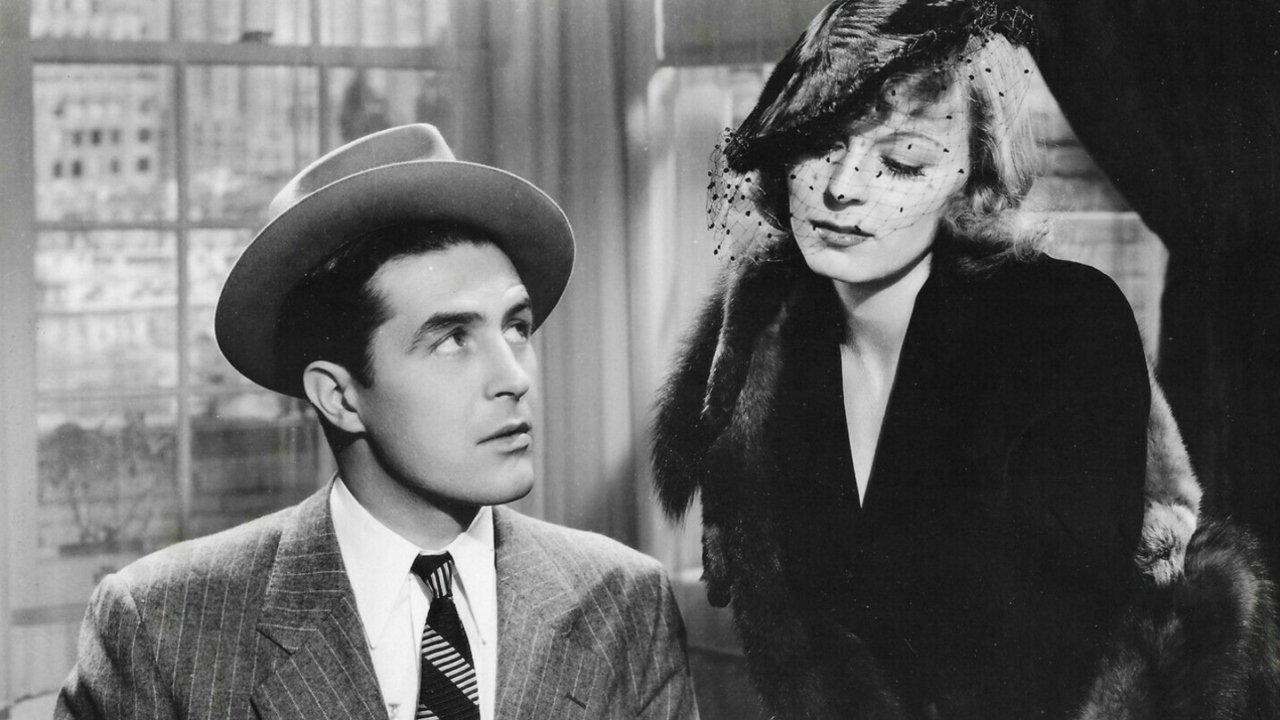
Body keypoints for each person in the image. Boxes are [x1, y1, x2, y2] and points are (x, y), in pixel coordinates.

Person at [652, 1, 1278, 718]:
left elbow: (1054, 664)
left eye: (902, 160)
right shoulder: (756, 353)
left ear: (970, 180)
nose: (842, 187)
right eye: (819, 143)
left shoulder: (1066, 325)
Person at [57, 123, 699, 720]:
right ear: (339, 396)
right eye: (453, 339)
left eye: (516, 327)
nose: (515, 377)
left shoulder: (625, 606)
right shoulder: (162, 629)